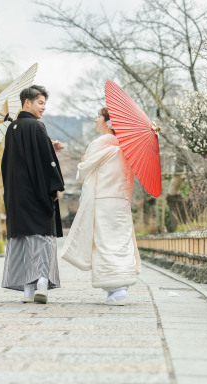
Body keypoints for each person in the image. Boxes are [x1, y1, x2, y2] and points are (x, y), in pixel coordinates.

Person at [60, 107, 140, 305]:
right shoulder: (128, 147)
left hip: (103, 199)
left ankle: (115, 289)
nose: (96, 120)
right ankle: (119, 288)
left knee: (104, 242)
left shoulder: (99, 144)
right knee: (121, 240)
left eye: (99, 117)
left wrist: (84, 162)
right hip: (122, 200)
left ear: (108, 122)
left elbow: (83, 173)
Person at [1, 84, 66, 304]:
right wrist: (55, 185)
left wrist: (49, 145)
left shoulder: (12, 129)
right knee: (42, 238)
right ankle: (41, 283)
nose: (43, 107)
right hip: (36, 193)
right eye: (40, 102)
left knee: (23, 239)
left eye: (44, 103)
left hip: (17, 195)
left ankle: (27, 290)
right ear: (26, 102)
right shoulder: (37, 127)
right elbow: (45, 162)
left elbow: (12, 162)